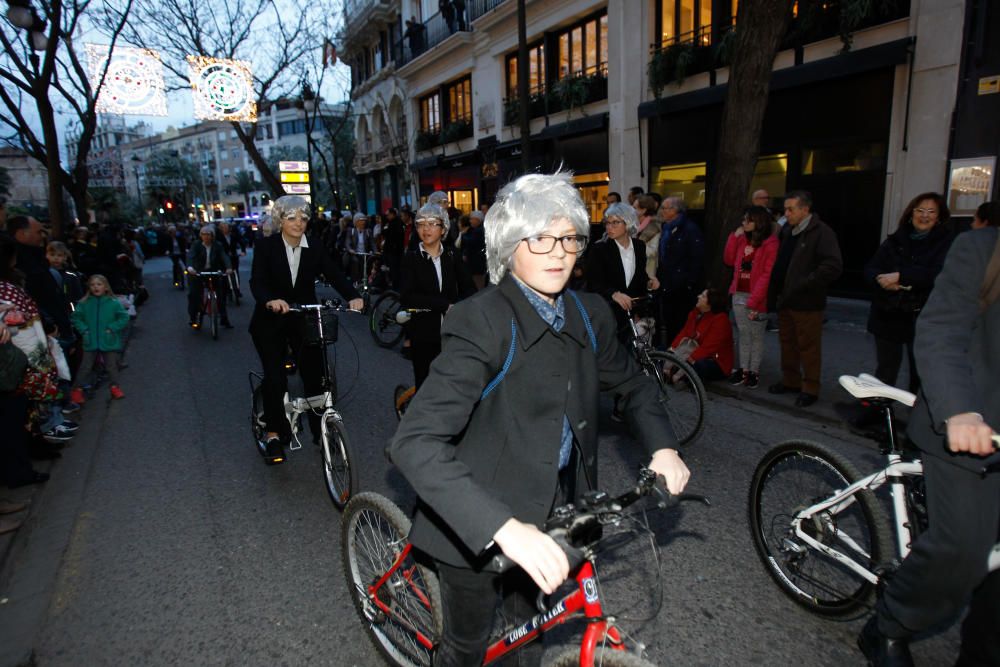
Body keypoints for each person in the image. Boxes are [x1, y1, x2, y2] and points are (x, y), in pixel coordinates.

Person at [388, 171, 690, 667]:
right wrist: (502, 527)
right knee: (468, 649)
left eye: (569, 237)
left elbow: (634, 385)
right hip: (475, 515)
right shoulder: (481, 319)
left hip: (552, 509)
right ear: (510, 245)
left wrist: (663, 446)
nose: (558, 252)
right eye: (539, 238)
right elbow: (414, 442)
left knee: (530, 635)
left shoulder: (588, 314)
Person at [858, 225, 1000, 667]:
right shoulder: (983, 248)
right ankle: (890, 624)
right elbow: (940, 329)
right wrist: (961, 411)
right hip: (970, 424)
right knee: (961, 549)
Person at [249, 196, 363, 464]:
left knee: (317, 377)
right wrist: (270, 300)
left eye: (303, 218)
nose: (298, 223)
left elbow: (334, 274)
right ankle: (274, 434)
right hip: (270, 320)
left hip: (303, 317)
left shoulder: (315, 247)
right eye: (291, 218)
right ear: (280, 221)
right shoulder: (266, 247)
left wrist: (353, 296)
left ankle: (321, 433)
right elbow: (257, 281)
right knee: (276, 379)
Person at [863, 192, 953, 395]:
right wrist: (881, 280)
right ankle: (879, 414)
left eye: (931, 211)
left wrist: (901, 276)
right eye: (920, 210)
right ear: (911, 213)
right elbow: (870, 269)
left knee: (920, 374)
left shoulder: (946, 243)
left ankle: (918, 421)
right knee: (885, 371)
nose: (924, 216)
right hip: (887, 314)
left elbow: (937, 273)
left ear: (939, 216)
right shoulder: (896, 239)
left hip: (922, 317)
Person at [766, 191, 843, 408]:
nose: (786, 213)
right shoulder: (788, 231)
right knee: (787, 344)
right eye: (786, 209)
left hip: (807, 301)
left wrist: (806, 283)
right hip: (786, 299)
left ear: (805, 209)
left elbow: (833, 265)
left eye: (791, 209)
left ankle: (810, 388)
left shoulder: (821, 232)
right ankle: (791, 381)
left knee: (808, 347)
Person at [399, 202, 476, 390]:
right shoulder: (411, 258)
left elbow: (469, 288)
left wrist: (464, 307)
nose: (426, 229)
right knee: (426, 385)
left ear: (443, 229)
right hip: (423, 331)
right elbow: (407, 297)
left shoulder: (452, 255)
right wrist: (444, 306)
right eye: (421, 224)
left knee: (454, 384)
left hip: (453, 332)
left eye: (433, 223)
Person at [585, 202, 659, 341]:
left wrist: (649, 281)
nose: (609, 227)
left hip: (631, 314)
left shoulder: (639, 246)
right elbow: (593, 283)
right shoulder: (600, 249)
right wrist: (613, 293)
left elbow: (639, 277)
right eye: (607, 223)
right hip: (608, 312)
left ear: (628, 223)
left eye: (615, 223)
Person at [723, 206, 779, 388]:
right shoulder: (741, 240)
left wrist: (755, 300)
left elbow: (767, 274)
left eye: (748, 220)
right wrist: (734, 237)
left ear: (758, 222)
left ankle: (753, 372)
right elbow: (729, 260)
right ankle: (743, 370)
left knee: (756, 335)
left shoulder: (770, 244)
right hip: (738, 293)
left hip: (757, 296)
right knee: (744, 334)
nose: (743, 222)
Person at [69, 274, 129, 403]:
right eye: (92, 285)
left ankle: (114, 387)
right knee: (85, 367)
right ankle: (76, 390)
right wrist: (84, 330)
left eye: (99, 284)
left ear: (106, 287)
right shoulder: (84, 303)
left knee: (111, 367)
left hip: (108, 340)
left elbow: (124, 317)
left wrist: (112, 328)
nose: (96, 287)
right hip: (90, 340)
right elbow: (76, 317)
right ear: (89, 287)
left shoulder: (113, 303)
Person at [656, 196, 705, 346]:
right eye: (662, 207)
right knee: (669, 322)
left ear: (677, 210)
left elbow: (697, 258)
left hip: (682, 286)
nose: (662, 211)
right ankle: (671, 353)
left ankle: (679, 357)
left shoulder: (690, 229)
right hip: (667, 284)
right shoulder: (666, 228)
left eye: (666, 208)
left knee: (681, 323)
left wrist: (689, 282)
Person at [670, 287, 733, 383]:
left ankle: (682, 377)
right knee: (665, 353)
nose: (698, 297)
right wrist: (672, 350)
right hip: (694, 352)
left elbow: (709, 347)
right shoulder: (697, 313)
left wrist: (687, 360)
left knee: (698, 365)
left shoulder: (721, 320)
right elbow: (685, 333)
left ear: (710, 303)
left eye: (703, 296)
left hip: (716, 361)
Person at [186, 225, 233, 329]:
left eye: (208, 235)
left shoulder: (218, 245)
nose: (206, 237)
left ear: (212, 236)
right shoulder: (196, 245)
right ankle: (193, 317)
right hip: (198, 272)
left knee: (220, 295)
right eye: (203, 234)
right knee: (194, 294)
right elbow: (190, 256)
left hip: (213, 271)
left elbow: (224, 256)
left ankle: (224, 319)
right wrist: (190, 267)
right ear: (200, 235)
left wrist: (228, 267)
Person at [633, 194, 661, 279]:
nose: (631, 210)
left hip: (647, 271)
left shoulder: (654, 227)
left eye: (634, 208)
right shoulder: (635, 224)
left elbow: (653, 252)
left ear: (644, 210)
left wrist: (633, 245)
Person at [461, 209, 487, 289]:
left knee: (478, 283)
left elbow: (471, 242)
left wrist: (463, 235)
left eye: (472, 219)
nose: (470, 221)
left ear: (478, 220)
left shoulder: (478, 231)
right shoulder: (477, 229)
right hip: (478, 261)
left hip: (477, 262)